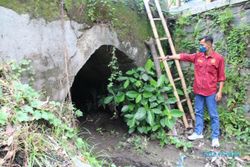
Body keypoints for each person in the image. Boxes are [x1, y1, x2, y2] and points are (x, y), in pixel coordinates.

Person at [158, 35, 226, 147]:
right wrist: (168, 57)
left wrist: (220, 92)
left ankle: (215, 137)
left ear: (209, 45)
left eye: (202, 44)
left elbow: (222, 77)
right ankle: (198, 133)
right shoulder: (198, 56)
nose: (200, 46)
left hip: (211, 91)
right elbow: (183, 56)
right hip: (198, 90)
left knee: (213, 115)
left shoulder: (218, 58)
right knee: (198, 112)